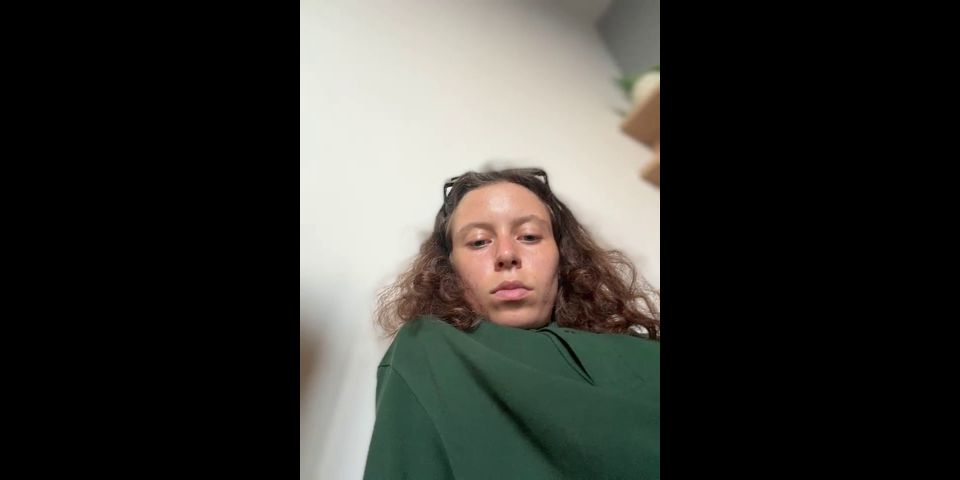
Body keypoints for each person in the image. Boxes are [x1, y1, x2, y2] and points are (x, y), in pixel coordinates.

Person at [364, 168, 660, 479]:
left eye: (529, 236)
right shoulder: (428, 350)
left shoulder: (644, 356)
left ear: (563, 256)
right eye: (479, 241)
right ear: (449, 267)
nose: (506, 254)